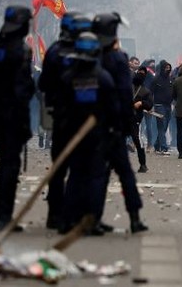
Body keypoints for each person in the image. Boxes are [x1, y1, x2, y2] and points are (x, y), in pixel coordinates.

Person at [0, 6, 35, 232]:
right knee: (11, 164)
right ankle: (4, 218)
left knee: (5, 162)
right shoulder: (21, 51)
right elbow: (23, 88)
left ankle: (2, 216)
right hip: (13, 115)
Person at [93, 12, 148, 234]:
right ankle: (134, 219)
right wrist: (127, 124)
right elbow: (126, 94)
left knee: (98, 174)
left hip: (93, 124)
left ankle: (93, 218)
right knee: (125, 173)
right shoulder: (118, 59)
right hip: (114, 125)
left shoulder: (90, 56)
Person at [57, 33, 118, 234]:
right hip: (96, 136)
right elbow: (112, 109)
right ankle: (89, 221)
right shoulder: (103, 78)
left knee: (75, 176)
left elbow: (61, 107)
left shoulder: (67, 77)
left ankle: (67, 220)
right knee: (94, 178)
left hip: (73, 135)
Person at [38, 12, 92, 229]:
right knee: (80, 168)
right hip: (82, 119)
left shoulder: (53, 52)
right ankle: (73, 214)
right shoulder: (87, 53)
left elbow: (42, 85)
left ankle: (54, 215)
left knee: (58, 167)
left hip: (60, 118)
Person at [131, 66, 153, 173]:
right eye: (139, 72)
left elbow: (149, 105)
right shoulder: (127, 86)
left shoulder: (145, 91)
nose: (140, 74)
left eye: (143, 73)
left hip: (135, 119)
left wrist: (141, 103)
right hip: (123, 117)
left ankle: (143, 164)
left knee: (138, 142)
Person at [150, 60, 174, 153]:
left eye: (169, 68)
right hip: (159, 106)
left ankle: (157, 144)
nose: (168, 69)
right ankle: (164, 147)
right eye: (166, 68)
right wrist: (151, 105)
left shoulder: (170, 79)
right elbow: (150, 93)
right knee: (161, 126)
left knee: (165, 126)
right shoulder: (156, 79)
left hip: (168, 106)